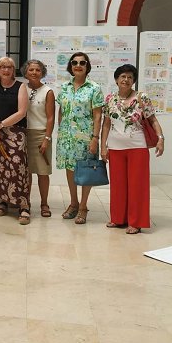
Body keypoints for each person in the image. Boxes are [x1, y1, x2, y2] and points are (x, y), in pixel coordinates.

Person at [101, 64, 165, 234]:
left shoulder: (142, 97)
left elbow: (153, 120)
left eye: (130, 77)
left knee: (137, 186)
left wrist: (161, 139)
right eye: (122, 76)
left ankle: (135, 222)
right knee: (118, 186)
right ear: (116, 80)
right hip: (115, 147)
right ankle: (118, 218)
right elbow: (106, 125)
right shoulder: (109, 99)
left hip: (137, 147)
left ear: (134, 81)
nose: (126, 80)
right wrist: (103, 147)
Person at [56, 52, 104, 225]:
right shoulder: (64, 87)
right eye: (74, 62)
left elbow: (98, 115)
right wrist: (60, 129)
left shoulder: (94, 88)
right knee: (70, 169)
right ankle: (73, 203)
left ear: (87, 66)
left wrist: (95, 138)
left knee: (86, 170)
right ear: (70, 66)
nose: (78, 65)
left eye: (82, 63)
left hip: (85, 137)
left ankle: (83, 207)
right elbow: (61, 110)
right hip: (66, 137)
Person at [0, 57, 30, 224]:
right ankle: (4, 200)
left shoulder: (21, 87)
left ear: (13, 70)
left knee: (18, 168)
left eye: (9, 67)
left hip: (15, 133)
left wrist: (1, 125)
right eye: (3, 67)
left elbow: (22, 112)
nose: (6, 70)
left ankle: (24, 205)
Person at [21, 59, 55, 218]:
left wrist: (47, 138)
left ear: (42, 73)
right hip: (23, 134)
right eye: (31, 70)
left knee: (42, 172)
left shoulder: (48, 91)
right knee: (25, 172)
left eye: (38, 70)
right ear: (25, 72)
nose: (34, 73)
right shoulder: (21, 89)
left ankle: (44, 203)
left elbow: (50, 117)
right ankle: (25, 202)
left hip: (41, 134)